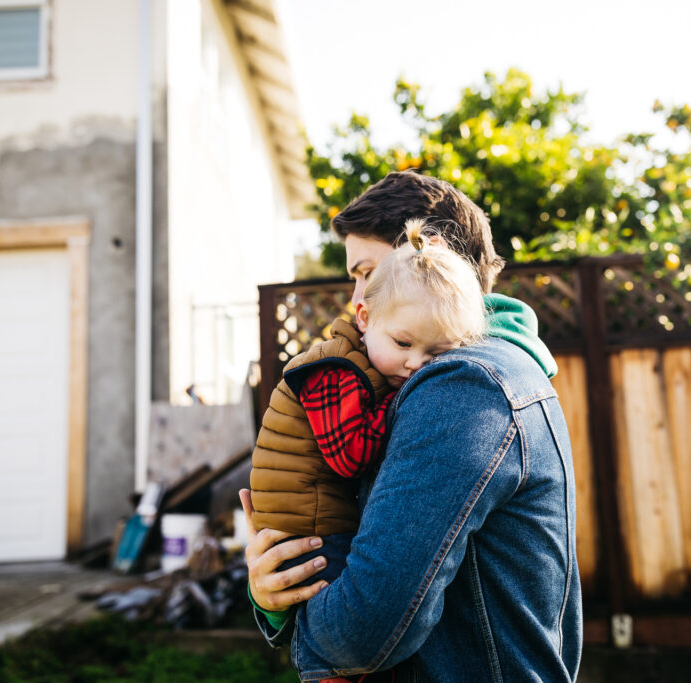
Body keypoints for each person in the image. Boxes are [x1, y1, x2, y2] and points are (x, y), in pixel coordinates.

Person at [241, 171, 582, 681]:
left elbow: (363, 630)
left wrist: (302, 624)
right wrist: (272, 593)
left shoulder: (462, 384)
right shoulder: (474, 372)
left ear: (429, 255)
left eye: (367, 272)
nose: (357, 298)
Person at [249, 218, 487, 588]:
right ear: (365, 318)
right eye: (403, 343)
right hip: (305, 536)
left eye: (436, 354)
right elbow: (349, 456)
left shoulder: (373, 365)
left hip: (316, 524)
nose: (416, 363)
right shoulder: (335, 370)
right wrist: (396, 404)